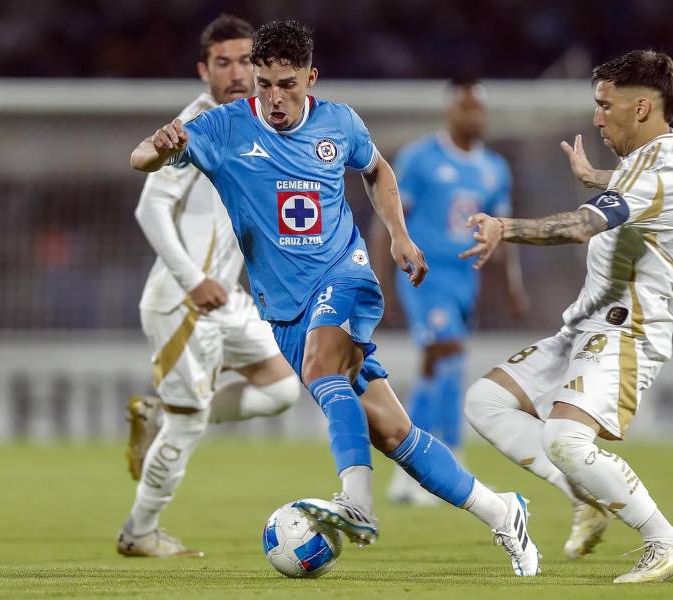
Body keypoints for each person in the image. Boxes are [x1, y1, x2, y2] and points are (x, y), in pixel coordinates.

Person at [131, 19, 540, 576]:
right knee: (395, 434)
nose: (275, 99)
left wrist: (398, 234)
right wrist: (158, 148)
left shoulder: (339, 122)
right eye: (266, 84)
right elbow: (141, 162)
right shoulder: (222, 128)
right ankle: (502, 511)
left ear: (311, 79)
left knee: (324, 365)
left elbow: (376, 169)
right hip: (285, 308)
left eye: (288, 85)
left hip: (345, 278)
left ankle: (358, 504)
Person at [462, 50, 673, 584]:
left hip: (627, 328)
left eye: (604, 105)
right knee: (487, 401)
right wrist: (595, 175)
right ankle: (583, 492)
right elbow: (627, 193)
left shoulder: (661, 170)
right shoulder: (645, 162)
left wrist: (506, 227)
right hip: (587, 322)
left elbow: (580, 228)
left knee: (564, 441)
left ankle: (666, 541)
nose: (596, 117)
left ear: (641, 109)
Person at [117, 15, 303, 558]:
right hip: (183, 299)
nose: (238, 72)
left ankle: (159, 412)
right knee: (190, 421)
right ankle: (140, 533)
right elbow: (149, 206)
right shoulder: (198, 125)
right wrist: (193, 279)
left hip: (224, 297)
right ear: (205, 70)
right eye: (224, 63)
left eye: (247, 60)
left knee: (281, 386)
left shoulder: (255, 121)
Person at [371, 79, 527, 505]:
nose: (474, 115)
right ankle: (447, 465)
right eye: (466, 107)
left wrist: (512, 288)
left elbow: (500, 232)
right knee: (449, 356)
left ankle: (411, 471)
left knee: (436, 367)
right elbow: (389, 219)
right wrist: (381, 278)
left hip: (465, 279)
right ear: (451, 111)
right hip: (425, 275)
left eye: (479, 108)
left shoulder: (494, 167)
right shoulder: (421, 158)